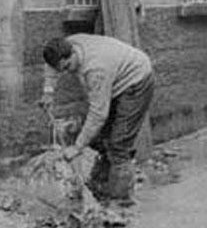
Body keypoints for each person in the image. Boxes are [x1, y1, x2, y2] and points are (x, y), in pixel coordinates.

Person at [41, 33, 154, 205]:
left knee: (119, 144)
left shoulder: (95, 70)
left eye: (67, 67)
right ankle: (101, 183)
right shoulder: (66, 44)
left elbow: (98, 114)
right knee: (100, 138)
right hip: (117, 75)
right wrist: (48, 92)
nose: (66, 72)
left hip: (136, 81)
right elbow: (51, 67)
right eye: (61, 69)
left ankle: (120, 201)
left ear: (72, 54)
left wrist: (77, 147)